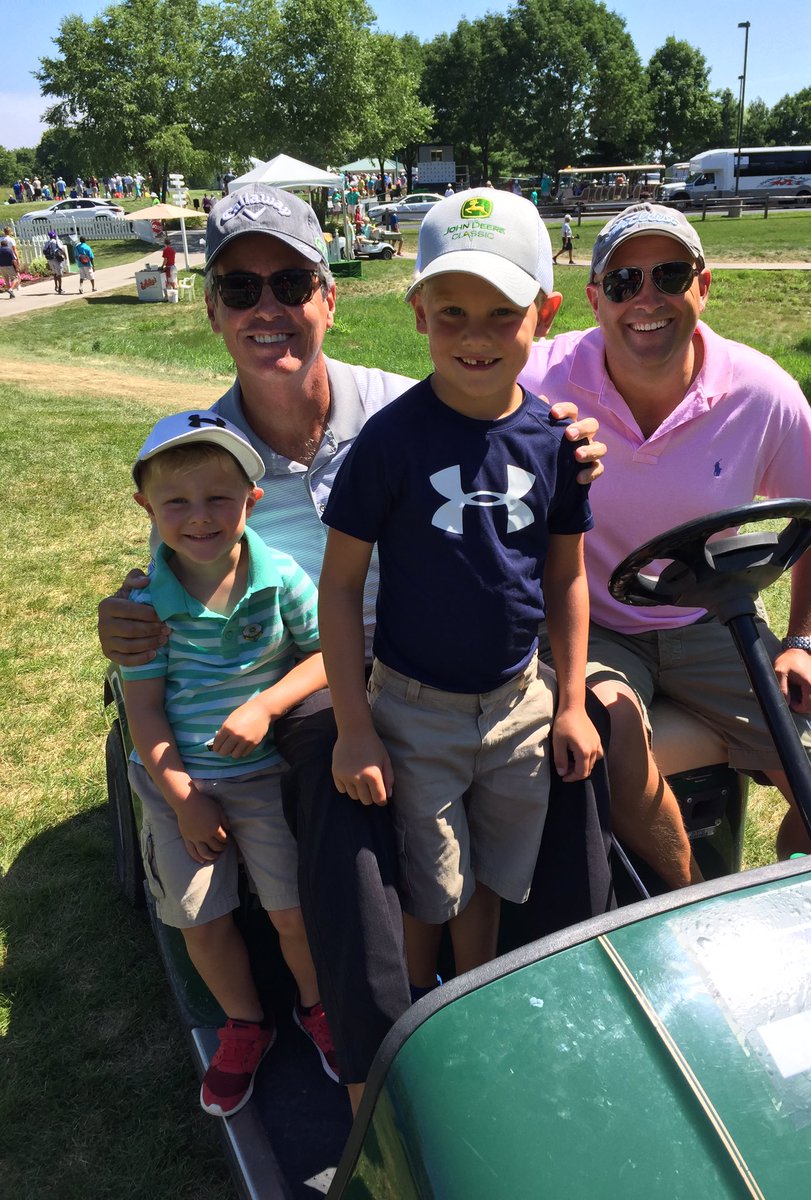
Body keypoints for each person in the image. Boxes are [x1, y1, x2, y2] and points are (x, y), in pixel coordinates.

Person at [97, 184, 606, 1116]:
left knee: (595, 723)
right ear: (210, 307)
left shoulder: (401, 406)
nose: (268, 309)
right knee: (342, 769)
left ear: (330, 296)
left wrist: (569, 433)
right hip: (329, 672)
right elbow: (184, 581)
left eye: (290, 281)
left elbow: (503, 390)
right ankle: (376, 1041)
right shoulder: (206, 463)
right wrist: (127, 619)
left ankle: (582, 987)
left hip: (482, 658)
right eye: (241, 289)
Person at [318, 189, 601, 994]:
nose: (475, 338)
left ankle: (470, 1001)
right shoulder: (390, 440)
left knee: (492, 882)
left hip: (520, 707)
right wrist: (352, 727)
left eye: (501, 314)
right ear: (418, 315)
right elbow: (339, 588)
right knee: (429, 889)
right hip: (414, 713)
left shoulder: (556, 441)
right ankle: (415, 1024)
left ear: (544, 315)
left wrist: (571, 699)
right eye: (451, 314)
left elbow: (565, 573)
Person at [520, 203, 811, 885]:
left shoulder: (760, 391)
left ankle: (795, 907)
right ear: (593, 300)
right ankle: (692, 901)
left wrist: (801, 641)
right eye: (623, 282)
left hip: (711, 619)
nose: (647, 298)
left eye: (669, 275)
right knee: (613, 730)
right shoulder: (538, 381)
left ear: (704, 286)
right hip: (594, 623)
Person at [120, 409, 338, 1118]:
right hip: (174, 781)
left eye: (219, 498)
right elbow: (145, 712)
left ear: (253, 500)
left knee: (292, 912)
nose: (199, 517)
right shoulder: (146, 604)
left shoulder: (279, 577)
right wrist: (184, 797)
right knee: (200, 920)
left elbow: (328, 656)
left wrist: (268, 705)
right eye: (176, 502)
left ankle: (316, 1009)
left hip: (262, 779)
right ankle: (245, 1024)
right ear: (146, 507)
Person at [0, 230, 19, 299]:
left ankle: (11, 294)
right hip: (9, 266)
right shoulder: (9, 250)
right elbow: (13, 260)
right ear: (6, 244)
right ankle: (11, 289)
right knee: (15, 279)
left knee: (6, 280)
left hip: (2, 267)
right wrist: (17, 267)